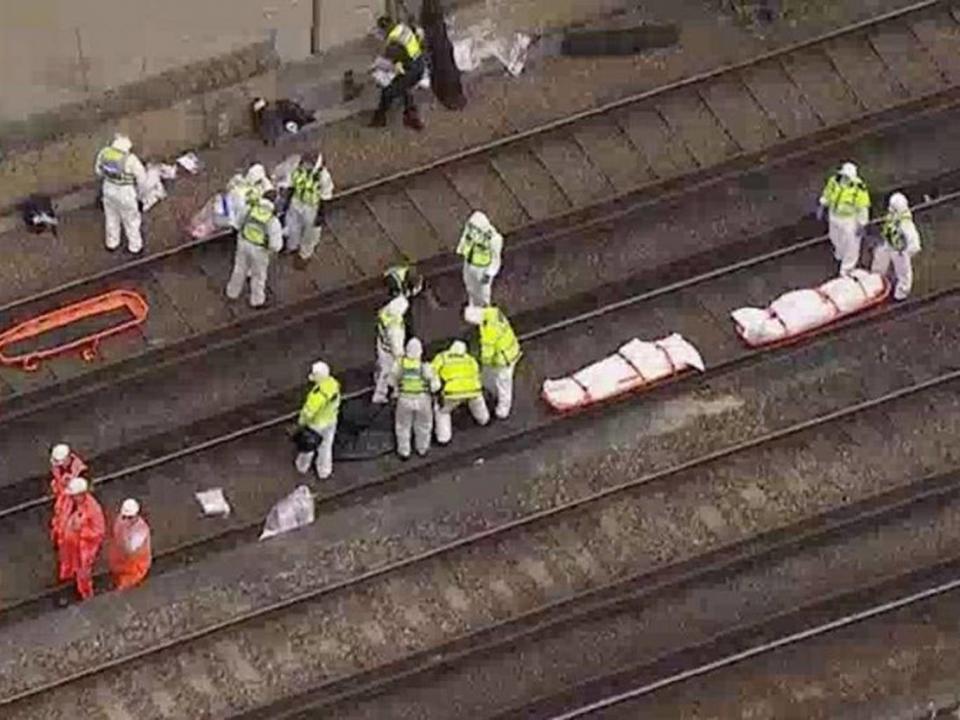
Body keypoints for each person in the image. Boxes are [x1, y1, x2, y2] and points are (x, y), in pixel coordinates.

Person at [464, 305, 522, 419]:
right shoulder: (492, 313)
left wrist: (479, 362)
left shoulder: (488, 329)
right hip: (511, 349)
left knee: (503, 383)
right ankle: (492, 390)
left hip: (504, 359)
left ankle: (503, 408)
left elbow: (487, 353)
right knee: (490, 376)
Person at [225, 195, 283, 308]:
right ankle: (257, 301)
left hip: (243, 242)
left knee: (239, 269)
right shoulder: (272, 220)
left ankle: (231, 294)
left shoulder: (249, 209)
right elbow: (276, 246)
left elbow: (236, 224)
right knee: (259, 275)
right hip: (260, 250)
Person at [94, 133, 148, 253]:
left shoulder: (104, 153)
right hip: (126, 193)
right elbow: (142, 180)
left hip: (108, 189)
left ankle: (112, 243)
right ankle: (135, 247)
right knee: (131, 220)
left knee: (111, 217)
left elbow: (98, 171)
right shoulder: (130, 159)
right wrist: (141, 195)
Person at [371, 15, 426, 130]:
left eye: (381, 31)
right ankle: (410, 114)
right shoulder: (402, 28)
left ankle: (379, 119)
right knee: (404, 86)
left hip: (412, 70)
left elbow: (390, 63)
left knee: (387, 92)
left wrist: (376, 66)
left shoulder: (393, 42)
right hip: (419, 63)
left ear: (385, 29)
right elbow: (418, 35)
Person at [54, 477, 105, 601]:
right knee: (69, 560)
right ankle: (69, 574)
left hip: (84, 548)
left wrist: (80, 532)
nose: (71, 498)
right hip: (70, 544)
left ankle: (86, 594)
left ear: (81, 495)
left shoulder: (93, 510)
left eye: (73, 495)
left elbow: (98, 531)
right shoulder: (73, 502)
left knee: (83, 571)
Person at [431, 340, 490, 444]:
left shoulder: (442, 357)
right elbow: (477, 374)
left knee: (443, 411)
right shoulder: (470, 360)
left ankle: (444, 437)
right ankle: (483, 419)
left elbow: (433, 372)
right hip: (473, 390)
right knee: (477, 403)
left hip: (452, 392)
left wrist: (435, 388)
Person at [817, 161, 870, 276]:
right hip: (834, 215)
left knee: (851, 244)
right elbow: (827, 193)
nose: (845, 178)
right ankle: (840, 254)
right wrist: (822, 205)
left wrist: (862, 224)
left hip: (849, 220)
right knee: (835, 237)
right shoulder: (834, 181)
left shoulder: (859, 189)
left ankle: (846, 269)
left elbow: (863, 208)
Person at [393, 338, 441, 459]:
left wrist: (396, 390)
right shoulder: (425, 367)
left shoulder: (400, 365)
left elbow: (391, 380)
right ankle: (422, 449)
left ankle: (404, 452)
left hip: (404, 398)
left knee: (402, 426)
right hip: (422, 398)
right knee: (424, 425)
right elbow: (435, 386)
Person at [284, 153, 335, 264]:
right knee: (292, 226)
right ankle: (292, 246)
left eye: (308, 164)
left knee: (310, 234)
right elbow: (291, 184)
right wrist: (286, 202)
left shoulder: (323, 177)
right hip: (297, 201)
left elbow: (325, 197)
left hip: (312, 207)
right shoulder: (297, 169)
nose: (305, 165)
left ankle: (304, 255)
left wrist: (320, 216)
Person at [295, 361, 341, 480]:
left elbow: (308, 412)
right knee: (326, 446)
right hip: (331, 420)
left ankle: (302, 466)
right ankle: (324, 471)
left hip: (316, 424)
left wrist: (301, 422)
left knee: (309, 445)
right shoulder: (333, 384)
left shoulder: (317, 395)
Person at [872, 192, 922, 301]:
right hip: (892, 245)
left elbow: (914, 244)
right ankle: (877, 284)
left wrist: (906, 253)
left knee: (903, 273)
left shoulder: (904, 222)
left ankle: (900, 295)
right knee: (883, 264)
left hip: (899, 249)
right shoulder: (897, 217)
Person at [457, 211, 503, 307]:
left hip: (482, 267)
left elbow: (495, 258)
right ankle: (472, 304)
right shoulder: (471, 232)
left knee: (482, 290)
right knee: (470, 285)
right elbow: (465, 241)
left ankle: (484, 307)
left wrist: (489, 273)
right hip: (470, 263)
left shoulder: (494, 239)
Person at [49, 444, 88, 557]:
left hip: (71, 502)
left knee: (68, 526)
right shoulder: (59, 467)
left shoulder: (80, 471)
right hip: (62, 499)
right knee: (59, 523)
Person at [108, 498, 152, 590]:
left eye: (130, 517)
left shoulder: (141, 531)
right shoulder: (120, 520)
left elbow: (130, 550)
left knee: (124, 586)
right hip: (121, 560)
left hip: (136, 566)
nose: (126, 520)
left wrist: (124, 537)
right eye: (125, 517)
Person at [374, 294, 409, 404]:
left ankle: (381, 393)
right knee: (392, 371)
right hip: (391, 351)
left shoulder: (385, 313)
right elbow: (397, 347)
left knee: (383, 370)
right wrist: (400, 356)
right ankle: (394, 391)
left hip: (383, 346)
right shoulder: (394, 327)